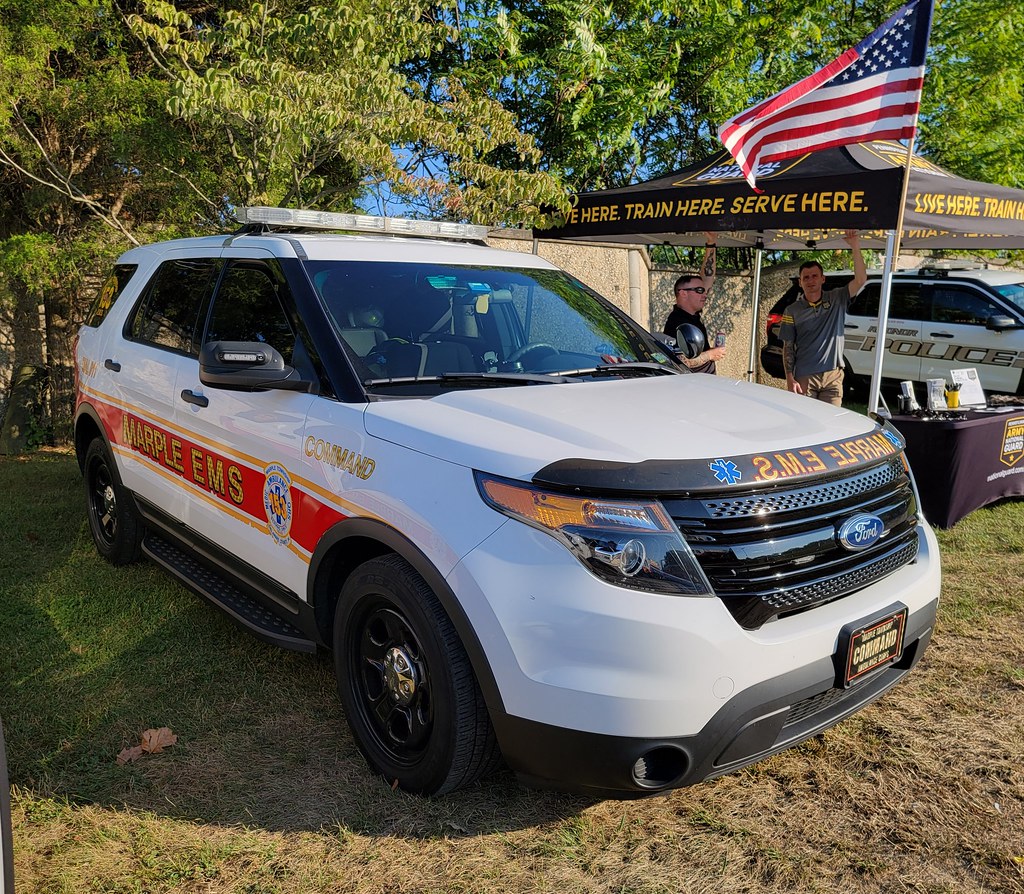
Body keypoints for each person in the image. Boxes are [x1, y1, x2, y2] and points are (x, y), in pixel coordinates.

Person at [779, 230, 867, 406]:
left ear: (822, 279)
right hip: (805, 376)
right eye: (806, 278)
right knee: (805, 419)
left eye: (814, 276)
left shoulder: (837, 298)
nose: (810, 281)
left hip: (833, 376)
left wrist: (855, 246)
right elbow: (788, 346)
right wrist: (789, 378)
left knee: (832, 420)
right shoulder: (791, 310)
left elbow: (860, 280)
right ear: (800, 282)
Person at [663, 233, 725, 374]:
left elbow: (707, 277)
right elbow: (679, 361)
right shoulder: (677, 323)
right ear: (683, 293)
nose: (705, 294)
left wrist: (711, 243)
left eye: (704, 290)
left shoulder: (692, 316)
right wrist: (710, 355)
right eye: (699, 290)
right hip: (694, 385)